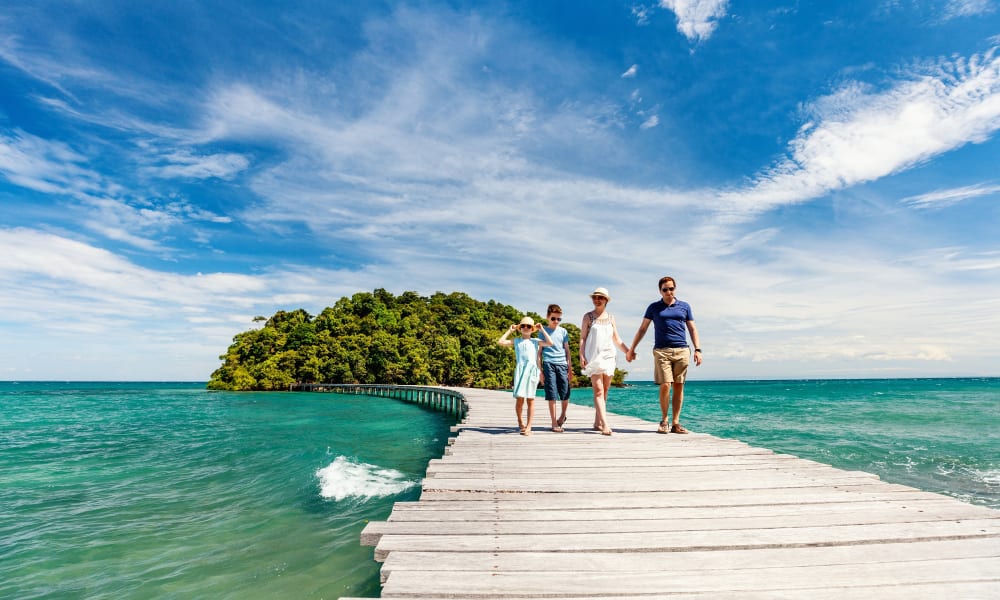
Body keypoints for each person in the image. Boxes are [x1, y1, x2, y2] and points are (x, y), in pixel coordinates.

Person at [627, 276, 702, 434]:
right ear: (660, 291)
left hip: (682, 350)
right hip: (661, 351)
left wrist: (697, 349)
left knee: (679, 386)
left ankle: (676, 423)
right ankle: (664, 420)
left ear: (675, 289)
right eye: (665, 289)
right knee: (666, 384)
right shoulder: (654, 307)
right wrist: (632, 348)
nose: (669, 292)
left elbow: (692, 329)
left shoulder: (684, 306)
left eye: (671, 288)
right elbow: (642, 329)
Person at [579, 287, 630, 436]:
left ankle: (597, 421)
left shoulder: (611, 318)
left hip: (609, 356)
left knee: (605, 390)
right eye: (595, 297)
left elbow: (617, 339)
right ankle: (605, 424)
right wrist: (581, 355)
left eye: (600, 297)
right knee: (598, 390)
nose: (597, 300)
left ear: (606, 300)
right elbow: (582, 338)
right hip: (593, 356)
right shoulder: (588, 317)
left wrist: (628, 351)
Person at [498, 316, 554, 435]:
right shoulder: (516, 340)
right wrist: (510, 330)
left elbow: (550, 342)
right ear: (520, 328)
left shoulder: (535, 341)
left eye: (529, 326)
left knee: (531, 400)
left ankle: (529, 427)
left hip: (532, 371)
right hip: (520, 370)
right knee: (520, 400)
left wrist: (542, 329)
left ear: (532, 329)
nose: (526, 328)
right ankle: (520, 421)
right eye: (523, 326)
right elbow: (500, 341)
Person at [539, 304, 573, 432]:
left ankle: (563, 415)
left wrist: (570, 368)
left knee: (565, 392)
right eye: (553, 319)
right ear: (548, 317)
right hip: (548, 363)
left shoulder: (563, 331)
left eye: (559, 319)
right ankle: (554, 422)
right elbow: (539, 352)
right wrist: (540, 371)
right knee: (552, 392)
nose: (556, 322)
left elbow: (567, 351)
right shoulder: (542, 332)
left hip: (563, 364)